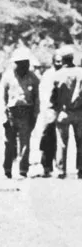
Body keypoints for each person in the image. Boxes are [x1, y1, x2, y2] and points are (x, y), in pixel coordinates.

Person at [1, 48, 40, 179]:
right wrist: (3, 116)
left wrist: (35, 115)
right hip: (11, 112)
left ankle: (23, 169)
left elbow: (37, 98)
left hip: (26, 112)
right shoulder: (8, 76)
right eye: (20, 63)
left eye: (25, 62)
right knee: (9, 143)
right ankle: (7, 169)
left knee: (25, 143)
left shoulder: (33, 77)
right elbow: (2, 98)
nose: (23, 65)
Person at [51, 45, 82, 179]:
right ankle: (80, 169)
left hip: (63, 112)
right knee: (80, 142)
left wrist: (56, 108)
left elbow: (53, 96)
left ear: (62, 60)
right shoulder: (80, 72)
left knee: (62, 143)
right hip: (79, 112)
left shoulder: (57, 75)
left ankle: (61, 170)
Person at [38, 53, 63, 177]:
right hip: (49, 110)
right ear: (53, 61)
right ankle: (46, 167)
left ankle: (60, 167)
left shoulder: (65, 73)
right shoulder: (48, 75)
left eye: (61, 61)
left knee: (60, 141)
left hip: (62, 110)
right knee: (47, 138)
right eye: (57, 61)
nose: (59, 63)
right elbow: (43, 93)